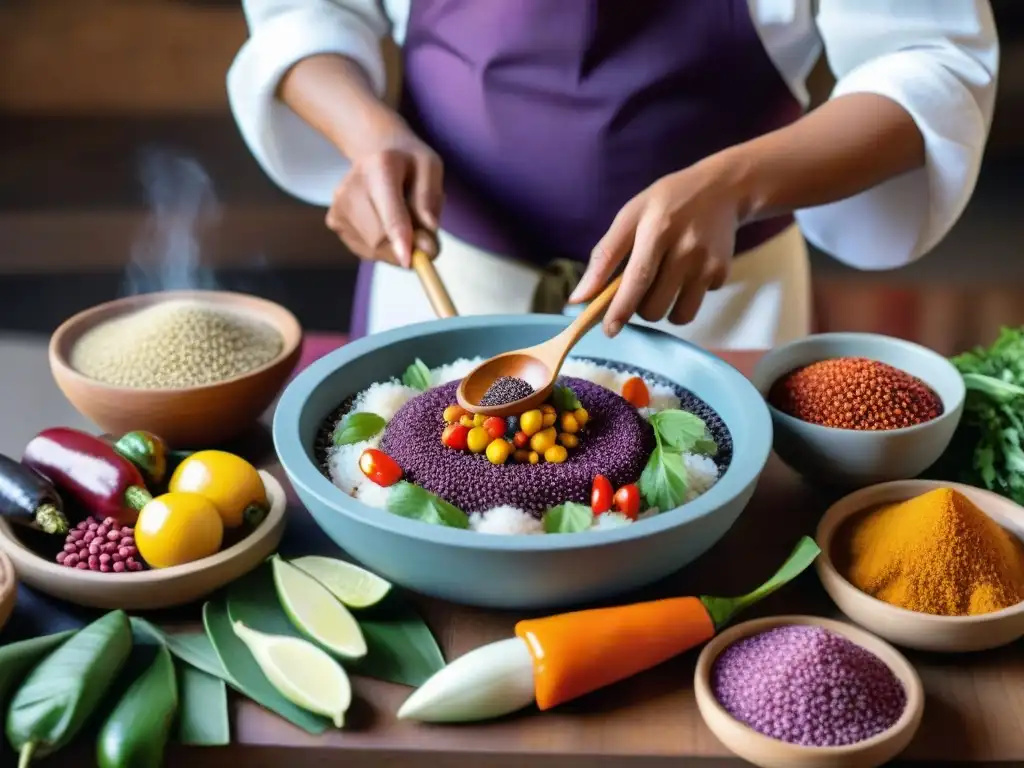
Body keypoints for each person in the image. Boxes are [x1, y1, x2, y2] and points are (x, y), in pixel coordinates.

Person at [227, 1, 998, 348]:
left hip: (714, 309)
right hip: (443, 287)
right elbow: (305, 14)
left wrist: (735, 185)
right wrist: (366, 132)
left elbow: (932, 62)